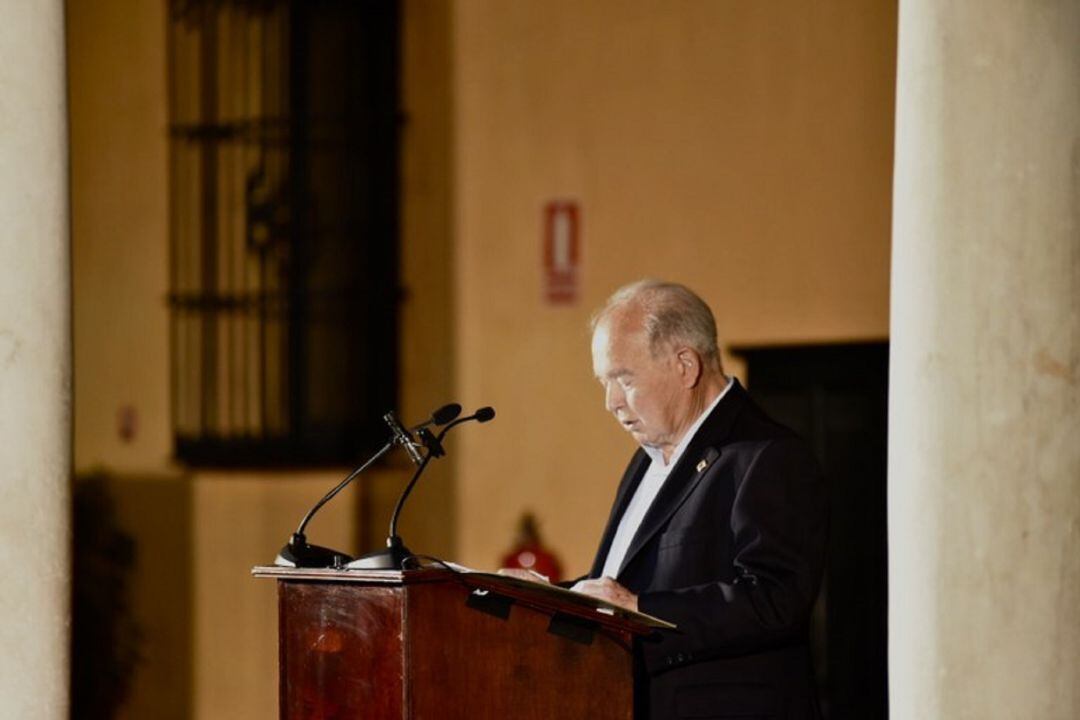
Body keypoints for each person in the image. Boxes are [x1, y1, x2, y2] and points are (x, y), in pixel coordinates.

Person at [570, 279, 827, 720]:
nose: (610, 402)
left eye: (623, 379)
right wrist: (555, 598)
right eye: (603, 382)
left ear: (685, 365)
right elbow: (629, 584)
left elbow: (776, 599)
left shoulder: (766, 456)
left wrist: (641, 611)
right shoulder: (645, 462)